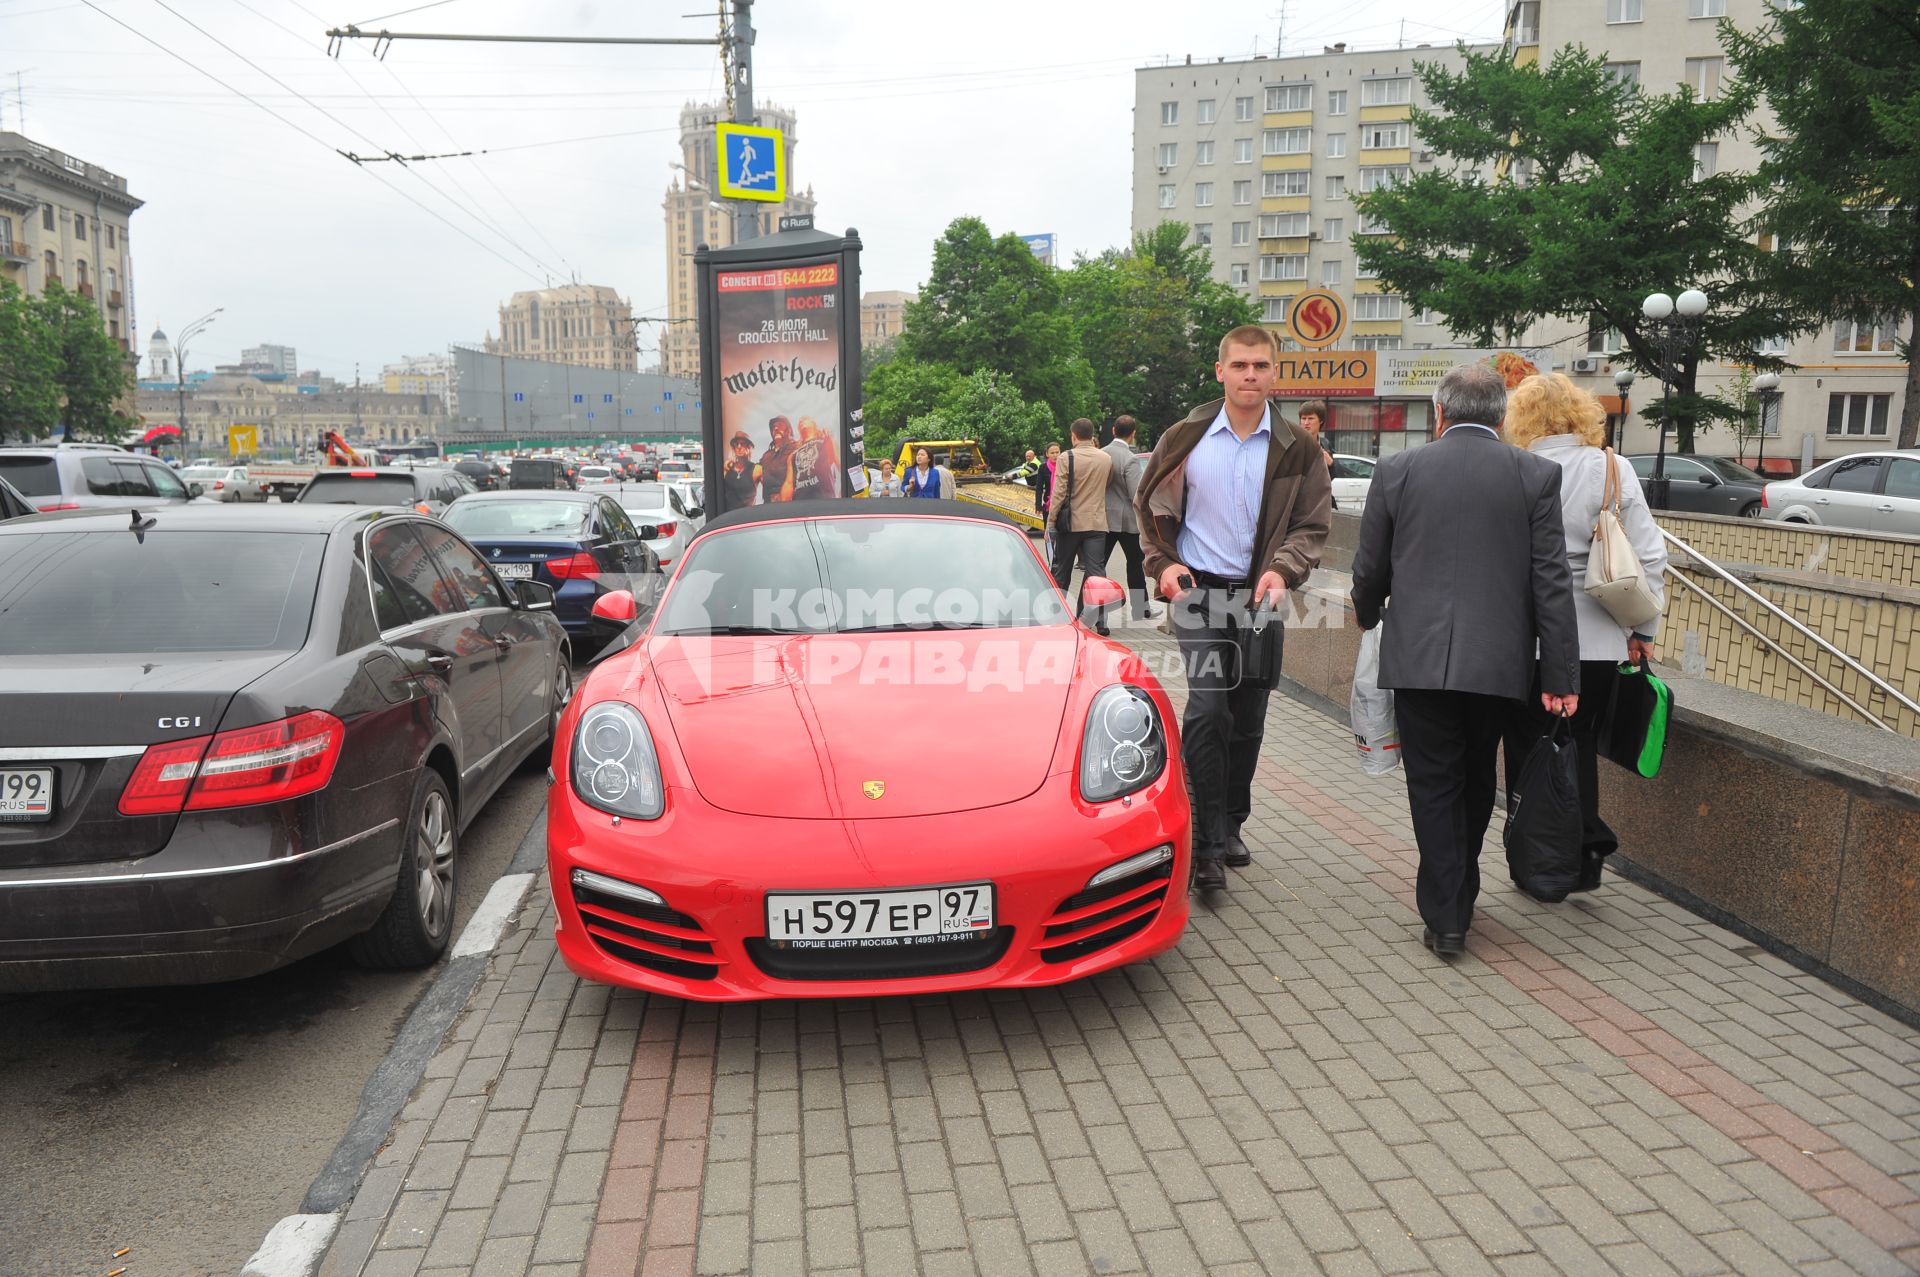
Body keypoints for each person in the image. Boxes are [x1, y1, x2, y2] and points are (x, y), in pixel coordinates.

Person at [1349, 362, 1581, 959]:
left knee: (1432, 785)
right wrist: (1560, 674)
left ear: (1439, 414)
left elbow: (1370, 565)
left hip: (1417, 660)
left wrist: (1368, 613)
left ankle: (1446, 913)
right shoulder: (1535, 474)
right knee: (1479, 781)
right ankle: (1460, 894)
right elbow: (1551, 583)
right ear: (1501, 417)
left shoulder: (1397, 469)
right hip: (1499, 666)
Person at [1138, 325, 1333, 893]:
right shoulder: (1185, 437)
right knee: (1207, 708)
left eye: (1262, 366)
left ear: (1275, 374)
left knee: (1247, 718)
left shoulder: (1297, 446)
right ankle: (1202, 837)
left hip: (1259, 596)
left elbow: (1312, 523)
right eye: (1241, 365)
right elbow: (1148, 506)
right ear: (1220, 371)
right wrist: (1162, 566)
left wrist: (1285, 569)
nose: (1251, 375)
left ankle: (1230, 822)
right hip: (1198, 593)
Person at [1500, 372, 1667, 894]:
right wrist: (1643, 628)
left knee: (1527, 745)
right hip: (1597, 635)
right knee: (1581, 741)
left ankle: (1538, 857)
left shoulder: (1514, 468)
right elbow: (1650, 554)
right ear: (1581, 412)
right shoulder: (1612, 468)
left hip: (1523, 636)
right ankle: (1584, 849)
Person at [1048, 419, 1116, 631]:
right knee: (1097, 574)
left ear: (1074, 436)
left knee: (1062, 571)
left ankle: (1057, 617)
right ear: (1092, 434)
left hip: (1070, 524)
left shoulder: (1066, 457)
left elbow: (1058, 493)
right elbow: (1108, 484)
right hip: (1096, 523)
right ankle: (1100, 621)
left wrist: (1051, 521)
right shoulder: (1106, 458)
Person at [1100, 415, 1159, 624]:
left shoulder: (1101, 454)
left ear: (1113, 431)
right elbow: (1135, 493)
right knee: (1135, 564)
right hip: (1127, 521)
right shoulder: (1130, 458)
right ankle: (1140, 609)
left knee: (1099, 566)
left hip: (1105, 518)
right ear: (1133, 434)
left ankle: (1097, 608)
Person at [1297, 400, 1338, 509]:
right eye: (1303, 418)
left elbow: (1331, 476)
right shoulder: (1294, 443)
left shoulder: (1325, 443)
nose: (1306, 423)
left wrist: (1331, 464)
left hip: (1322, 502)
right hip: (1300, 503)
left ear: (1320, 421)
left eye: (1310, 418)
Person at [758, 417, 797, 503]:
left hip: (791, 502)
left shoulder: (797, 447)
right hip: (768, 504)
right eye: (773, 427)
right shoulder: (766, 455)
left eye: (780, 425)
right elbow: (755, 471)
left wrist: (823, 437)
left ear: (789, 430)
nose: (775, 428)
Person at [720, 431, 759, 511]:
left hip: (747, 515)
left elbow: (770, 487)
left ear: (749, 447)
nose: (739, 447)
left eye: (742, 444)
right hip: (728, 514)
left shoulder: (756, 469)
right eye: (736, 444)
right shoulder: (727, 469)